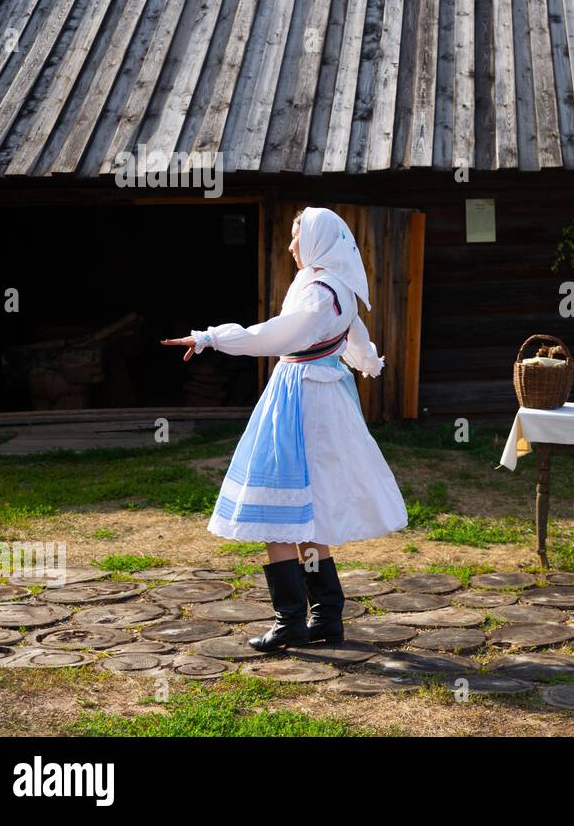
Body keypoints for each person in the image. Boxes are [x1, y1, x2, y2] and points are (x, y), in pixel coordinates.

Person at [162, 207, 407, 651]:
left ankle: (291, 619)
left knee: (277, 511)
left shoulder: (319, 291)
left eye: (297, 237)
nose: (291, 246)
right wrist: (367, 362)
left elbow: (272, 337)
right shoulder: (336, 285)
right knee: (307, 513)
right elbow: (356, 338)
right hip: (322, 394)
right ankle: (325, 617)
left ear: (316, 241)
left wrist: (213, 337)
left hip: (303, 400)